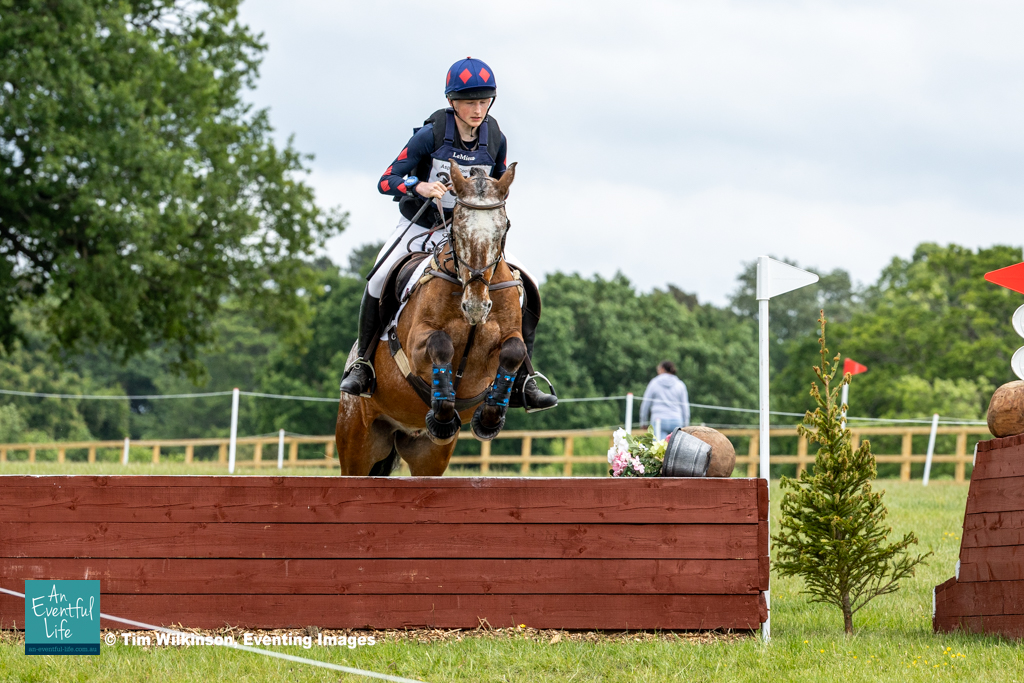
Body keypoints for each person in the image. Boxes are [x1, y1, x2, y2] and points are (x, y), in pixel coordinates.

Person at [339, 57, 557, 413]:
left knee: (525, 284)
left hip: (472, 234)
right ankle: (363, 364)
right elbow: (385, 180)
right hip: (421, 226)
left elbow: (499, 183)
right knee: (379, 277)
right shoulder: (432, 135)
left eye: (484, 100)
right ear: (452, 101)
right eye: (470, 101)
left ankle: (524, 380)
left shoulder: (495, 137)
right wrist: (419, 186)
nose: (477, 108)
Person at [640, 361, 691, 439]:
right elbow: (685, 407)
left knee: (658, 449)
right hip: (676, 420)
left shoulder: (654, 383)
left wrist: (643, 421)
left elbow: (645, 404)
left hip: (658, 421)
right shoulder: (680, 385)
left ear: (662, 369)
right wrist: (686, 424)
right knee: (676, 449)